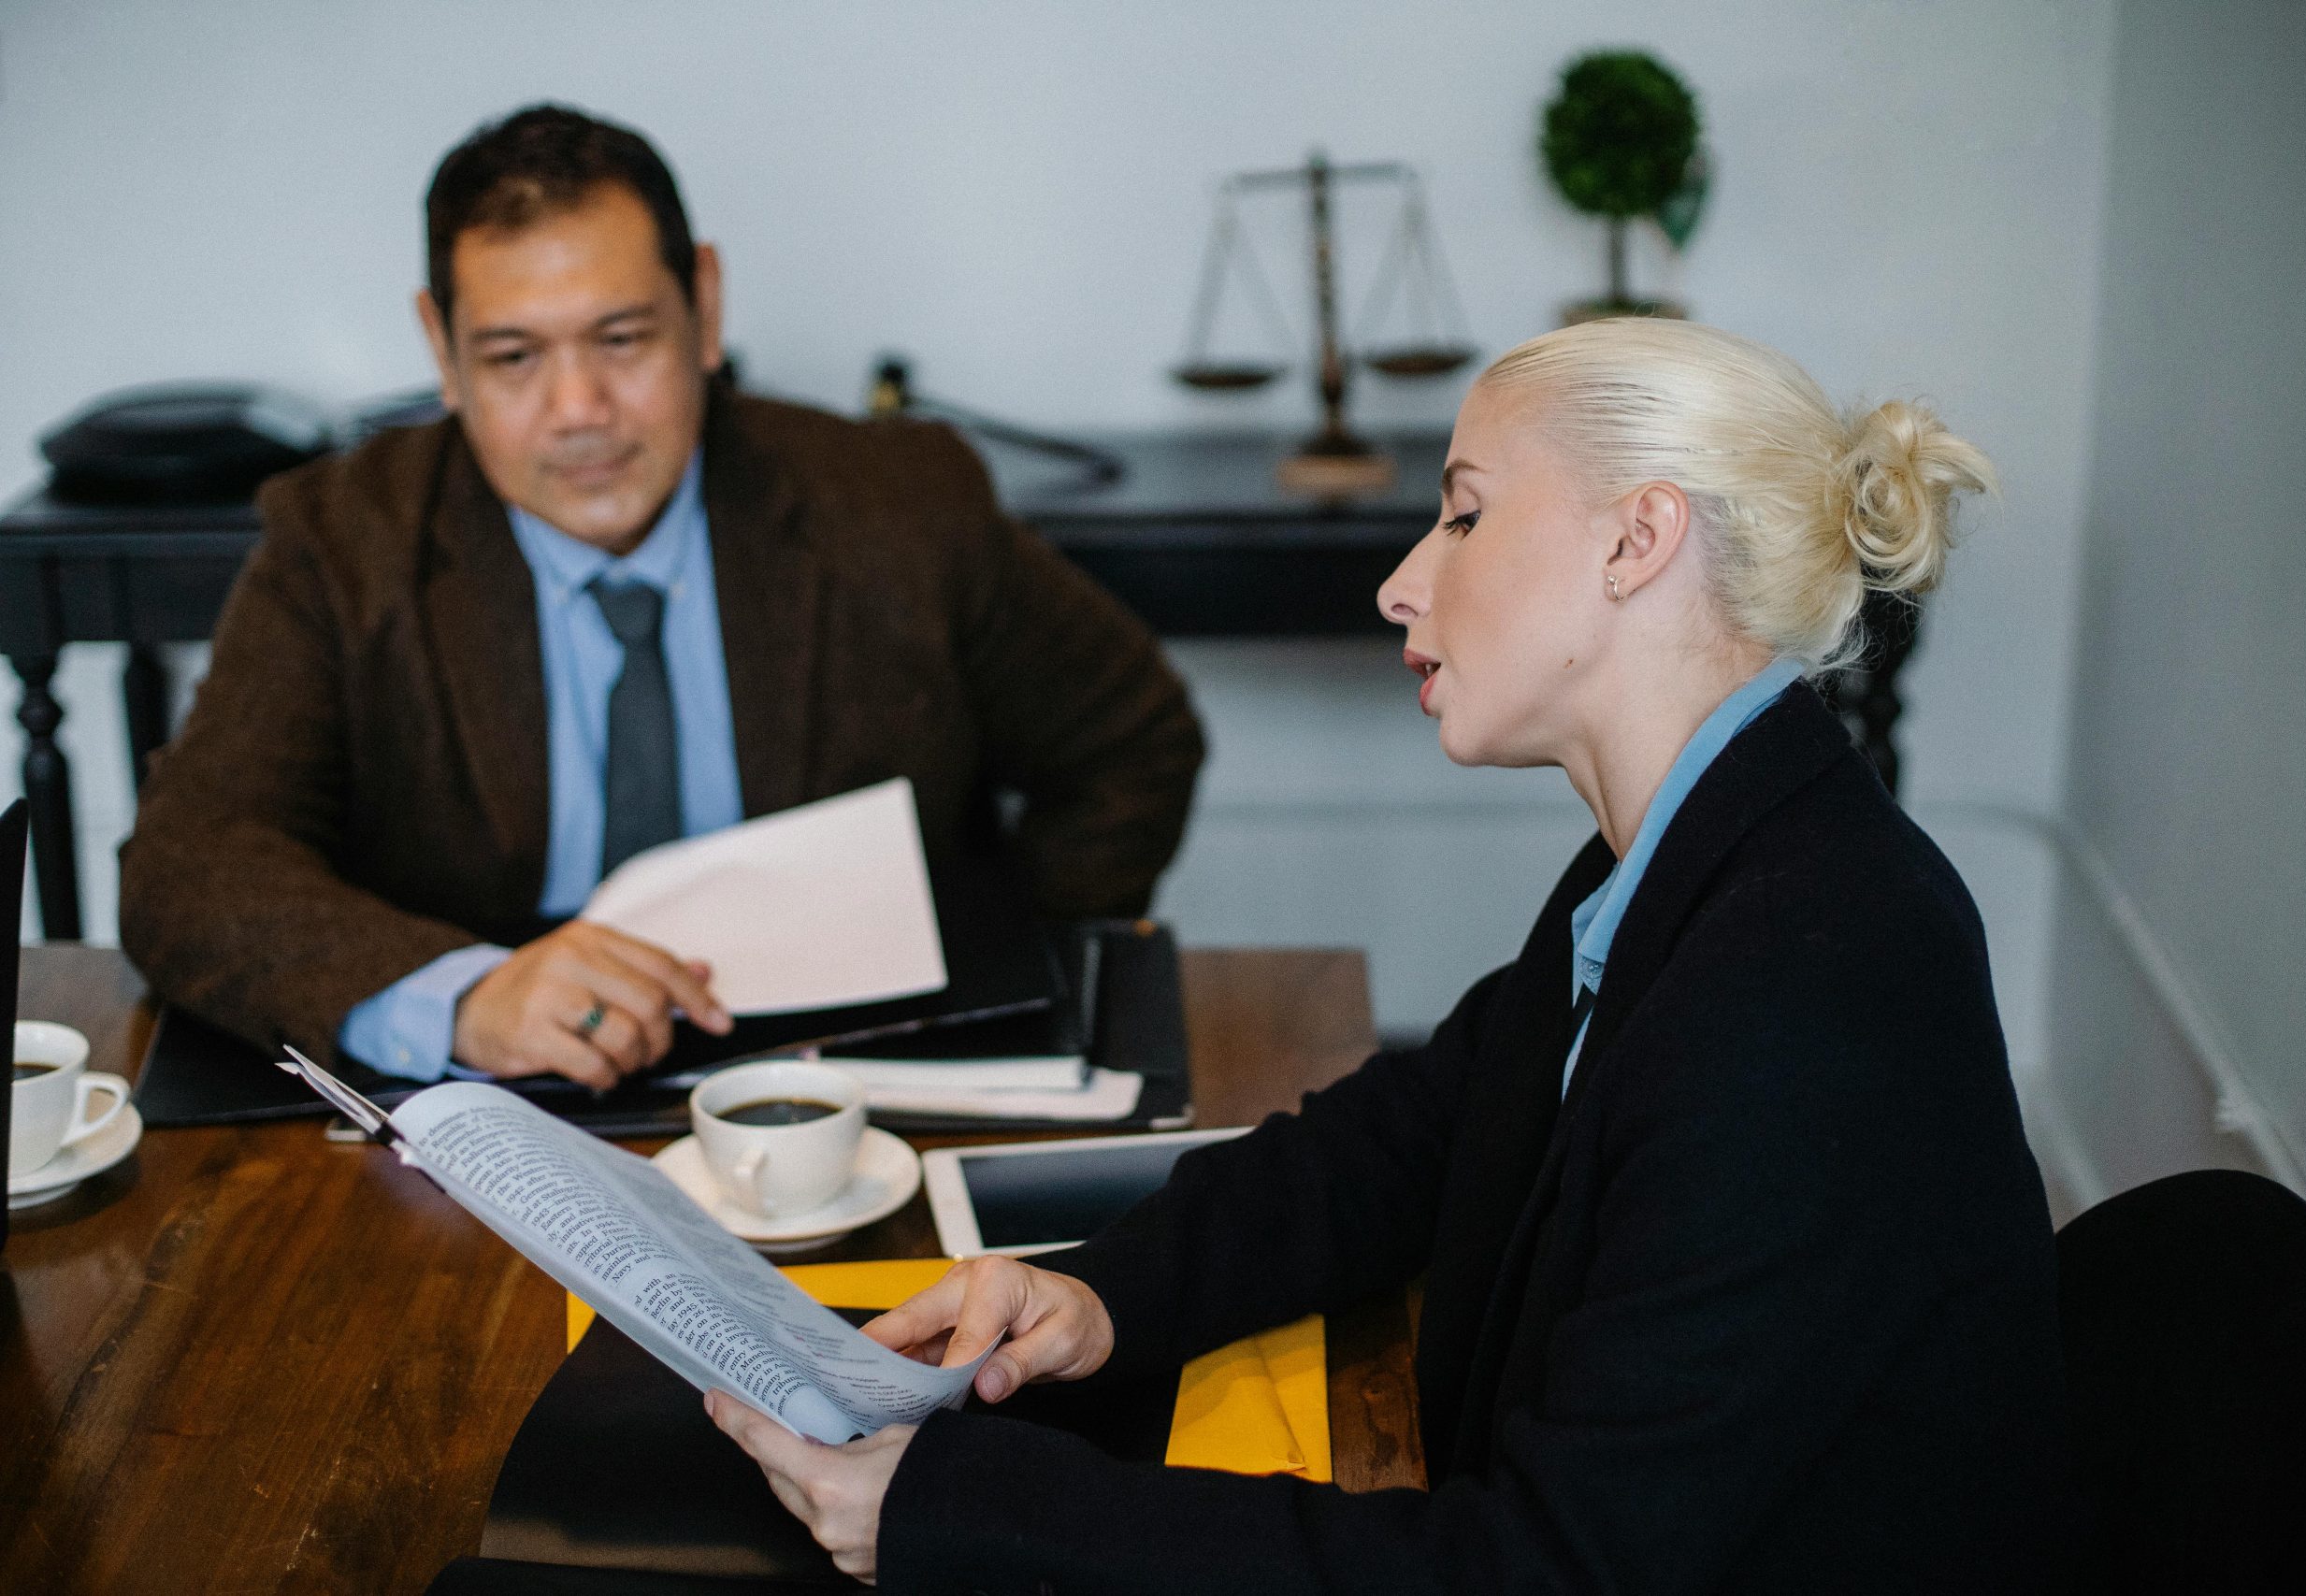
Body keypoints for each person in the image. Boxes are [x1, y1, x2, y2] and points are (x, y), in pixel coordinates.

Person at [706, 319, 2069, 1592]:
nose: (1402, 578)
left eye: (1467, 511)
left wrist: (958, 1511)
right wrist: (1095, 1294)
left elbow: (1545, 1564)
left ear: (1636, 539)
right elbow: (1408, 1136)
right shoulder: (1704, 854)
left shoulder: (1808, 978)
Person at [119, 106, 1203, 1089]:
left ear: (707, 305)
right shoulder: (340, 542)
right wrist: (459, 997)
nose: (579, 409)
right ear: (441, 352)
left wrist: (997, 963)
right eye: (512, 357)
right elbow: (186, 864)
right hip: (495, 1098)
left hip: (845, 1088)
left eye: (622, 339)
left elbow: (1132, 744)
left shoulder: (900, 504)